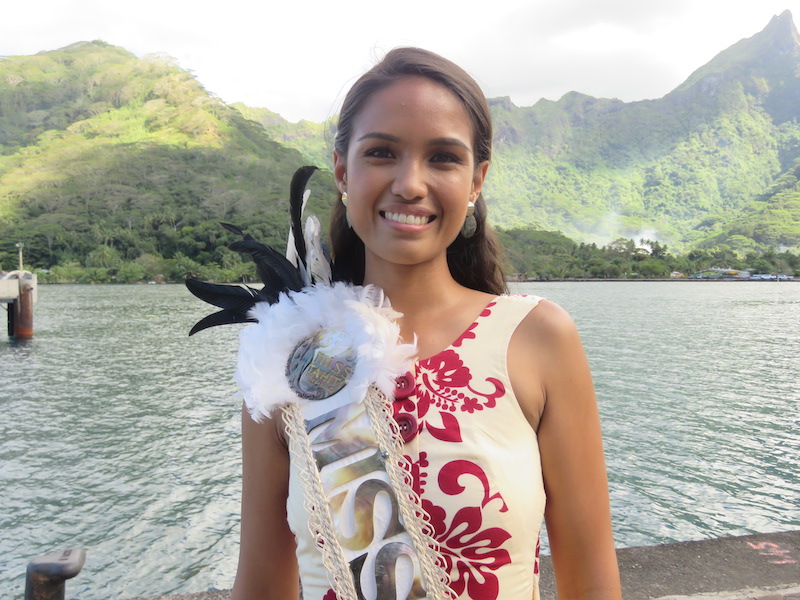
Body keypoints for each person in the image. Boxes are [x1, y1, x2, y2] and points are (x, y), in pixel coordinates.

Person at [231, 48, 621, 600]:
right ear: (342, 170)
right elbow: (260, 584)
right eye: (382, 153)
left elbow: (592, 582)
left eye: (443, 158)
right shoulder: (287, 357)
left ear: (477, 180)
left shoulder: (536, 338)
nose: (410, 184)